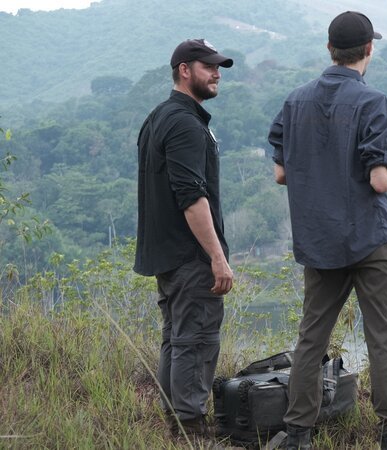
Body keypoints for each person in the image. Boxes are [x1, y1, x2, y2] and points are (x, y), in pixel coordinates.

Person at [268, 11, 387, 450]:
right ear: (369, 49)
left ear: (329, 49)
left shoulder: (295, 102)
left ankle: (297, 434)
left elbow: (280, 174)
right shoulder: (373, 103)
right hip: (370, 239)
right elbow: (378, 179)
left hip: (319, 241)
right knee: (383, 339)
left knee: (312, 339)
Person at [134, 38, 234, 438]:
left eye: (218, 67)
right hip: (191, 257)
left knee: (176, 340)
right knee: (196, 341)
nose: (217, 73)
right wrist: (216, 256)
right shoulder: (185, 124)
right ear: (184, 70)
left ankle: (175, 425)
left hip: (167, 255)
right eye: (208, 66)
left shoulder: (157, 118)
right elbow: (191, 197)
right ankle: (191, 431)